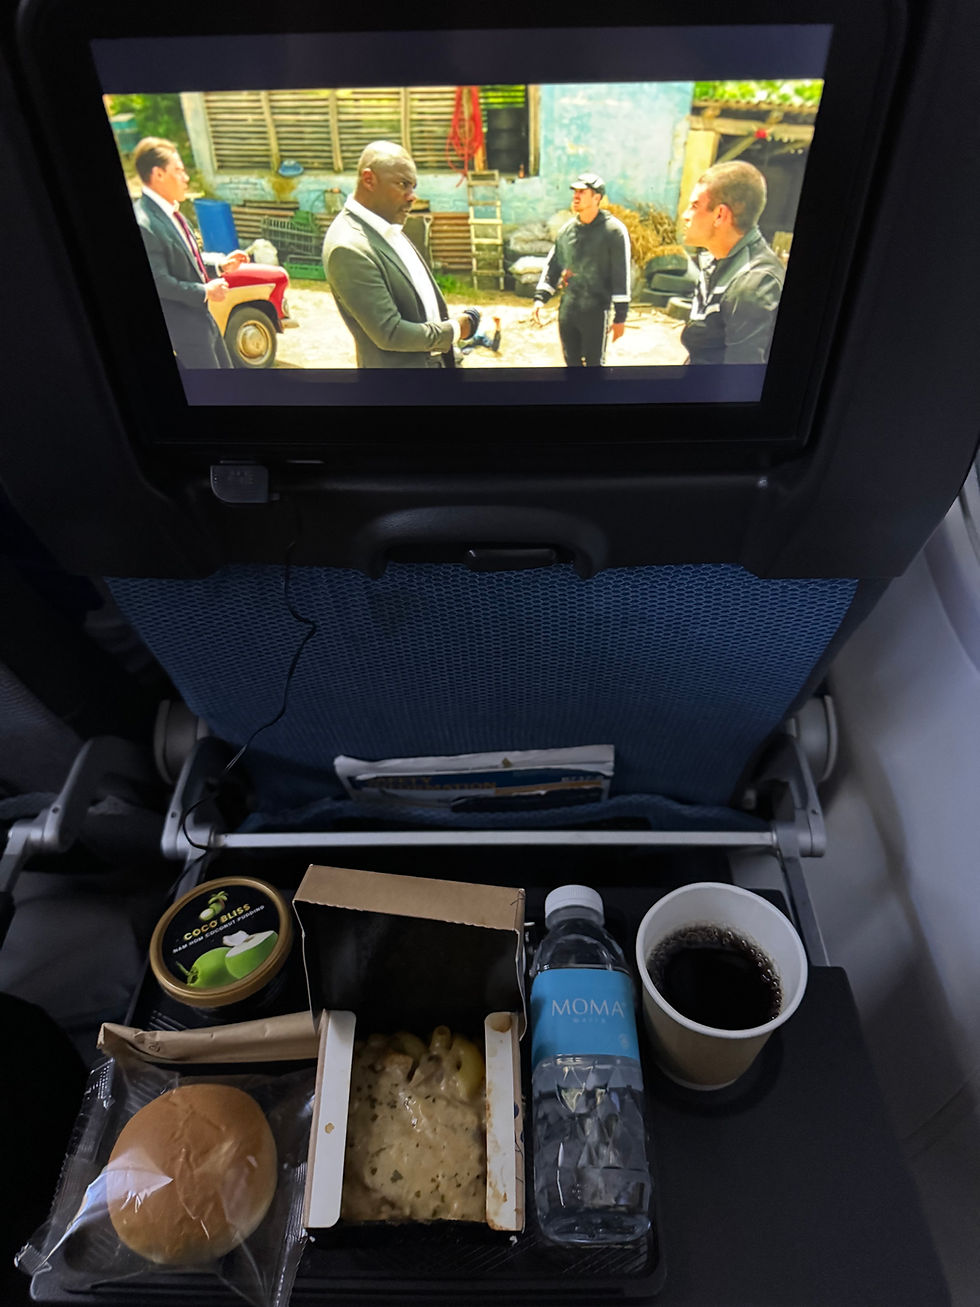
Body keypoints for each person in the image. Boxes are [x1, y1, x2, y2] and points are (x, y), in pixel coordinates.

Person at [322, 141, 477, 368]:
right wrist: (456, 329)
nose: (412, 196)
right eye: (403, 184)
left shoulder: (384, 226)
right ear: (369, 180)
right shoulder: (349, 247)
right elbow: (390, 333)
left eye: (413, 187)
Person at [132, 137, 250, 369]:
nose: (186, 178)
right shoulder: (144, 223)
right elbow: (159, 282)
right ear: (158, 174)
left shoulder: (172, 212)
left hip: (204, 321)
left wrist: (220, 265)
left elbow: (184, 257)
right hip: (182, 332)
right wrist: (205, 291)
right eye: (178, 171)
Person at [679, 160, 785, 365]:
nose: (685, 216)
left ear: (720, 215)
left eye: (694, 206)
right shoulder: (716, 262)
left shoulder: (753, 284)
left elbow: (739, 377)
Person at [532, 173, 631, 367]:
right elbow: (553, 265)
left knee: (594, 365)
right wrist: (540, 299)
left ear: (597, 197)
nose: (576, 196)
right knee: (571, 363)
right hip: (568, 309)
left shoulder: (614, 231)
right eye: (575, 192)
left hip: (596, 311)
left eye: (582, 192)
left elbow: (621, 274)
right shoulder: (566, 231)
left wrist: (620, 317)